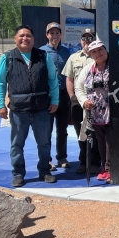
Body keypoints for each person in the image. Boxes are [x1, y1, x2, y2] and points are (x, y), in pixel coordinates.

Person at [0, 25, 59, 187]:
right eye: (21, 35)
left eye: (28, 35)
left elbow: (53, 80)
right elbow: (0, 83)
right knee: (17, 145)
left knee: (44, 143)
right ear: (15, 38)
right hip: (18, 110)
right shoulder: (7, 58)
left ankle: (44, 171)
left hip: (41, 109)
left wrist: (55, 101)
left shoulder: (43, 56)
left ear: (34, 38)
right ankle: (18, 174)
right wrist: (1, 104)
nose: (25, 38)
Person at [61, 28, 101, 174]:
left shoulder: (98, 56)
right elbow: (69, 78)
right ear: (81, 40)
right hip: (78, 101)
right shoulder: (73, 58)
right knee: (81, 132)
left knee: (97, 131)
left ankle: (96, 162)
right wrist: (72, 96)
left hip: (97, 101)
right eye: (84, 38)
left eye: (90, 38)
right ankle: (84, 161)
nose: (87, 41)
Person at [75, 40, 111, 182]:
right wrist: (84, 101)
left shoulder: (114, 66)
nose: (98, 53)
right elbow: (78, 88)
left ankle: (110, 169)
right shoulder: (88, 69)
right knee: (101, 142)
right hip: (96, 114)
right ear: (90, 55)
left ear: (105, 50)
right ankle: (104, 167)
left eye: (100, 49)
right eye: (94, 51)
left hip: (113, 112)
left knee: (111, 141)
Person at [39, 22, 71, 171]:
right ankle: (47, 160)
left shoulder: (67, 52)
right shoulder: (41, 52)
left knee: (62, 130)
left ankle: (62, 157)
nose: (55, 36)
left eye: (57, 33)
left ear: (61, 35)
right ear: (47, 35)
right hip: (48, 97)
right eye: (51, 33)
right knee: (47, 131)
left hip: (63, 95)